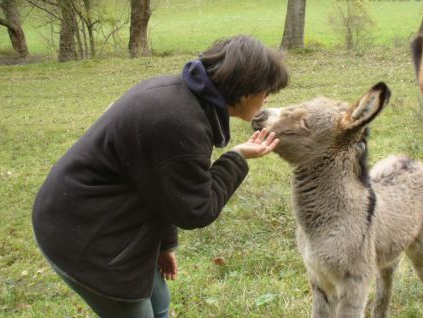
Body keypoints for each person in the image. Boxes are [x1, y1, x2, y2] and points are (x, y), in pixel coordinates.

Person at [32, 35, 289, 318]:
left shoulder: (181, 97)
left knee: (159, 304)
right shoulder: (178, 122)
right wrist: (237, 157)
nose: (268, 99)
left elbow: (162, 183)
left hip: (103, 222)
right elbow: (197, 209)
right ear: (244, 92)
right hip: (88, 240)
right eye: (267, 91)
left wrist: (163, 244)